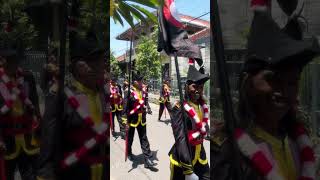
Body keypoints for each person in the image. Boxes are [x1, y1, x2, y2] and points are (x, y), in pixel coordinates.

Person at [211, 12, 320, 179]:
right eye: (272, 78)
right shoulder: (231, 155)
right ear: (248, 83)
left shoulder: (297, 144)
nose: (283, 90)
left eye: (292, 82)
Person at [37, 32, 109, 180]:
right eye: (96, 61)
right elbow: (49, 146)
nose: (103, 66)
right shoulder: (60, 98)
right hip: (74, 172)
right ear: (80, 67)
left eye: (102, 61)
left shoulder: (103, 94)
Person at [0, 45, 41, 180]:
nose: (13, 64)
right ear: (3, 61)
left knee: (30, 174)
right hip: (7, 137)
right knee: (7, 173)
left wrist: (39, 126)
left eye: (15, 61)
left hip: (27, 134)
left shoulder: (27, 77)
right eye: (9, 61)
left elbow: (34, 103)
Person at [169, 65, 210, 180]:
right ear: (187, 87)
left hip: (200, 155)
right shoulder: (179, 108)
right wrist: (187, 171)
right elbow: (180, 138)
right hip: (184, 158)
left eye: (201, 87)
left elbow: (205, 126)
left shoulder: (202, 106)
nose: (198, 90)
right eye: (194, 86)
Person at [123, 72, 156, 169]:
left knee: (144, 138)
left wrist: (148, 109)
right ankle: (129, 152)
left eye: (142, 80)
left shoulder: (142, 91)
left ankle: (148, 159)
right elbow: (125, 108)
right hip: (132, 120)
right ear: (135, 82)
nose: (142, 82)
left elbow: (145, 102)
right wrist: (125, 122)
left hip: (142, 119)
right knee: (130, 138)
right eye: (140, 81)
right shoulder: (128, 92)